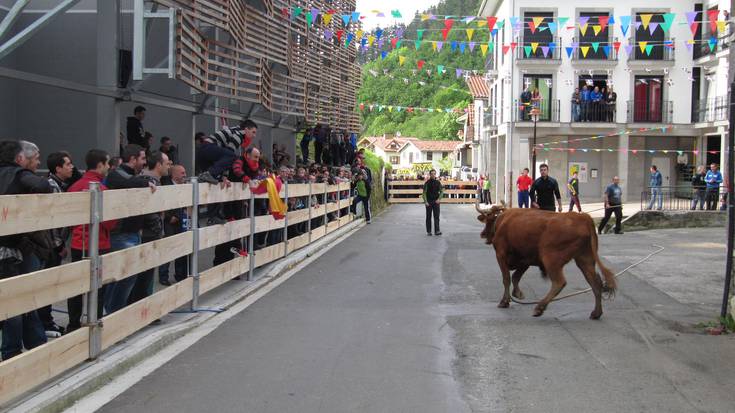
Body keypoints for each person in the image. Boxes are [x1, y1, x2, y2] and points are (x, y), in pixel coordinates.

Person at [0, 140, 52, 360]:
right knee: (18, 300)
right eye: (34, 158)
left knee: (20, 298)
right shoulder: (17, 174)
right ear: (19, 158)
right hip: (10, 250)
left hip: (10, 247)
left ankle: (35, 343)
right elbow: (44, 187)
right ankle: (12, 352)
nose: (37, 162)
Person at [66, 149, 116, 333]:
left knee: (76, 286)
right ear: (100, 164)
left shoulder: (75, 186)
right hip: (99, 244)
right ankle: (95, 322)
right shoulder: (102, 189)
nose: (109, 167)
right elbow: (110, 223)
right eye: (108, 163)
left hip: (78, 243)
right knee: (98, 286)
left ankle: (73, 325)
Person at [104, 144, 156, 314]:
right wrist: (146, 181)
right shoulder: (116, 174)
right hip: (121, 234)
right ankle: (114, 314)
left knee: (125, 276)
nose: (145, 162)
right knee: (124, 276)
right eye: (142, 158)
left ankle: (115, 313)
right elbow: (127, 182)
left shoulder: (132, 176)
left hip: (131, 233)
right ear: (132, 159)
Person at [40, 151, 77, 336]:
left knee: (49, 286)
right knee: (46, 285)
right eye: (68, 164)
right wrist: (59, 245)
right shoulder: (52, 186)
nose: (72, 167)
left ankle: (46, 321)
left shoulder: (59, 184)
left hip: (54, 245)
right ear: (58, 168)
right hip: (49, 247)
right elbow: (52, 221)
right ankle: (45, 323)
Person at [128, 151, 170, 305]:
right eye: (167, 163)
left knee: (145, 274)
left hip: (147, 233)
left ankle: (142, 305)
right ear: (158, 165)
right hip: (148, 235)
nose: (169, 166)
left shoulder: (148, 180)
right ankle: (142, 307)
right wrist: (157, 231)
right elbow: (150, 213)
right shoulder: (149, 181)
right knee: (144, 275)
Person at [159, 164, 190, 285]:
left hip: (182, 221)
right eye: (182, 173)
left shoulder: (185, 187)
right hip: (169, 222)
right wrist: (169, 217)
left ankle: (180, 275)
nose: (185, 175)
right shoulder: (166, 186)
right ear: (174, 174)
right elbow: (161, 204)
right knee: (168, 248)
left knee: (182, 248)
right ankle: (163, 276)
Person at [423, 169, 443, 236]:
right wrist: (425, 202)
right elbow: (424, 193)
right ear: (430, 174)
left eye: (434, 173)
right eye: (432, 174)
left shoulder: (438, 182)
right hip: (428, 202)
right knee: (428, 217)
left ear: (435, 174)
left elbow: (442, 191)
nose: (433, 175)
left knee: (436, 217)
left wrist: (439, 199)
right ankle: (429, 231)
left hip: (436, 202)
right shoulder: (427, 183)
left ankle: (437, 231)